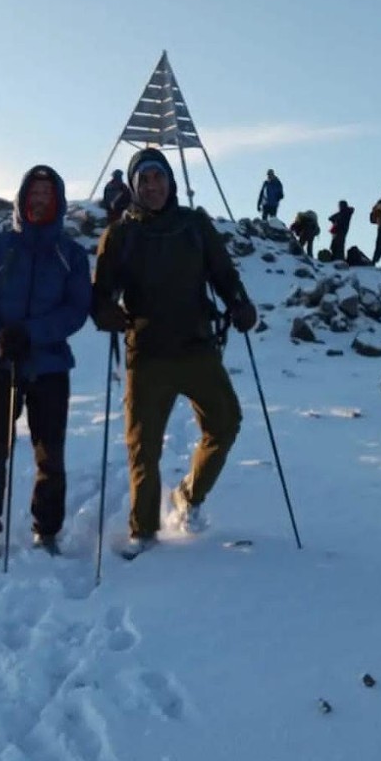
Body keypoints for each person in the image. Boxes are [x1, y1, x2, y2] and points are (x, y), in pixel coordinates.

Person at [92, 148, 258, 558]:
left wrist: (239, 302)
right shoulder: (120, 235)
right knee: (143, 447)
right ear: (133, 187)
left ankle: (189, 494)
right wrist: (104, 312)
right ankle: (143, 530)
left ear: (171, 181)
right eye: (144, 180)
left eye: (158, 178)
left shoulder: (195, 225)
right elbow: (100, 293)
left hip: (197, 347)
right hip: (146, 354)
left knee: (225, 422)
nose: (152, 187)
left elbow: (223, 273)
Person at [0, 164, 91, 559]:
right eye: (33, 193)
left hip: (50, 366)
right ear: (21, 198)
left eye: (46, 195)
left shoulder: (70, 254)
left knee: (49, 452)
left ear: (58, 202)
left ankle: (47, 530)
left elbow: (77, 309)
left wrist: (31, 334)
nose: (39, 200)